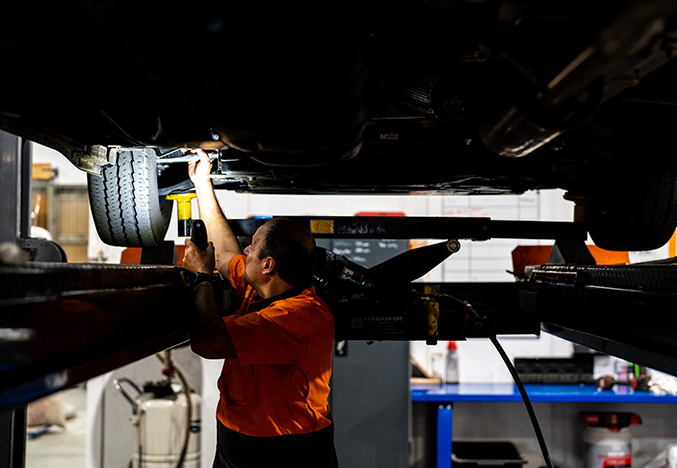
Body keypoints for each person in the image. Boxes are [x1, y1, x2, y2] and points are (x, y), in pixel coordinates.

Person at [182, 149, 339, 468]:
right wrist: (202, 183)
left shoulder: (297, 317)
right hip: (236, 438)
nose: (246, 250)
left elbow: (207, 342)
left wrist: (201, 277)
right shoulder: (263, 288)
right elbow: (225, 254)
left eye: (252, 247)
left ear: (268, 265)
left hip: (285, 452)